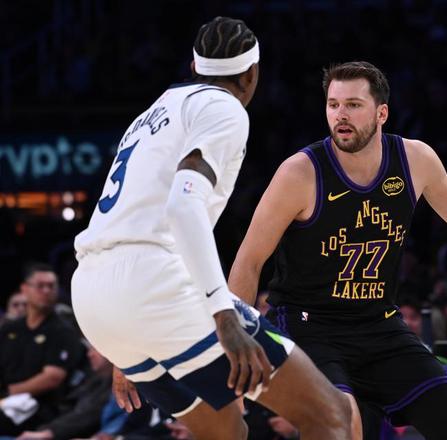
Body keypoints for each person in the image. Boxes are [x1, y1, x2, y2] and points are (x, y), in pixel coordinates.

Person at [228, 61, 447, 440]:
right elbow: (248, 261)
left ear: (382, 113)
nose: (340, 114)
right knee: (342, 422)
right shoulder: (299, 173)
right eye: (333, 104)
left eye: (353, 105)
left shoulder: (414, 160)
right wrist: (235, 343)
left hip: (379, 323)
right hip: (309, 325)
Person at [70, 16, 350, 440]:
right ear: (251, 74)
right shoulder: (224, 108)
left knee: (224, 430)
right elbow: (183, 206)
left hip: (95, 298)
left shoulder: (153, 113)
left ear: (194, 66)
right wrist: (224, 315)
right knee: (330, 414)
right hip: (151, 286)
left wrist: (126, 338)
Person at [0, 263, 84, 435]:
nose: (46, 291)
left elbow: (52, 377)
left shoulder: (63, 331)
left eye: (51, 286)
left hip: (42, 411)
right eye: (40, 286)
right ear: (24, 289)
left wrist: (7, 394)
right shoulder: (9, 329)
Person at [16, 344, 113, 440]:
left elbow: (88, 415)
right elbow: (71, 409)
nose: (90, 354)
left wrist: (49, 433)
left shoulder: (112, 389)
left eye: (96, 349)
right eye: (90, 349)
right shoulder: (94, 380)